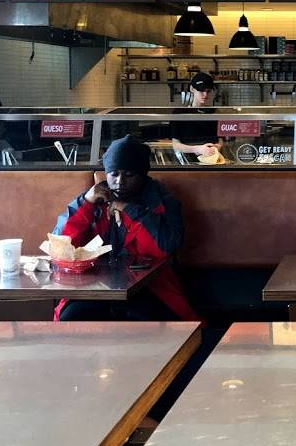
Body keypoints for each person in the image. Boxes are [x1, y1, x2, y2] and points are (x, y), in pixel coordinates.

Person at [52, 134, 198, 321]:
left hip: (150, 288)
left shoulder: (161, 201)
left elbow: (167, 245)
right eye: (114, 174)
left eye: (129, 175)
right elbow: (62, 246)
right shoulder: (92, 199)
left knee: (152, 322)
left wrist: (130, 209)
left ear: (143, 175)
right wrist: (86, 203)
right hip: (95, 287)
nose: (120, 181)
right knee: (70, 318)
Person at [169, 72, 221, 159]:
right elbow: (175, 145)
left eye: (208, 91)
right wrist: (197, 149)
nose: (205, 95)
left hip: (211, 159)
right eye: (201, 91)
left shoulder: (214, 112)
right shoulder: (179, 113)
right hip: (187, 161)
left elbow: (220, 139)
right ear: (192, 89)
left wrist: (217, 147)